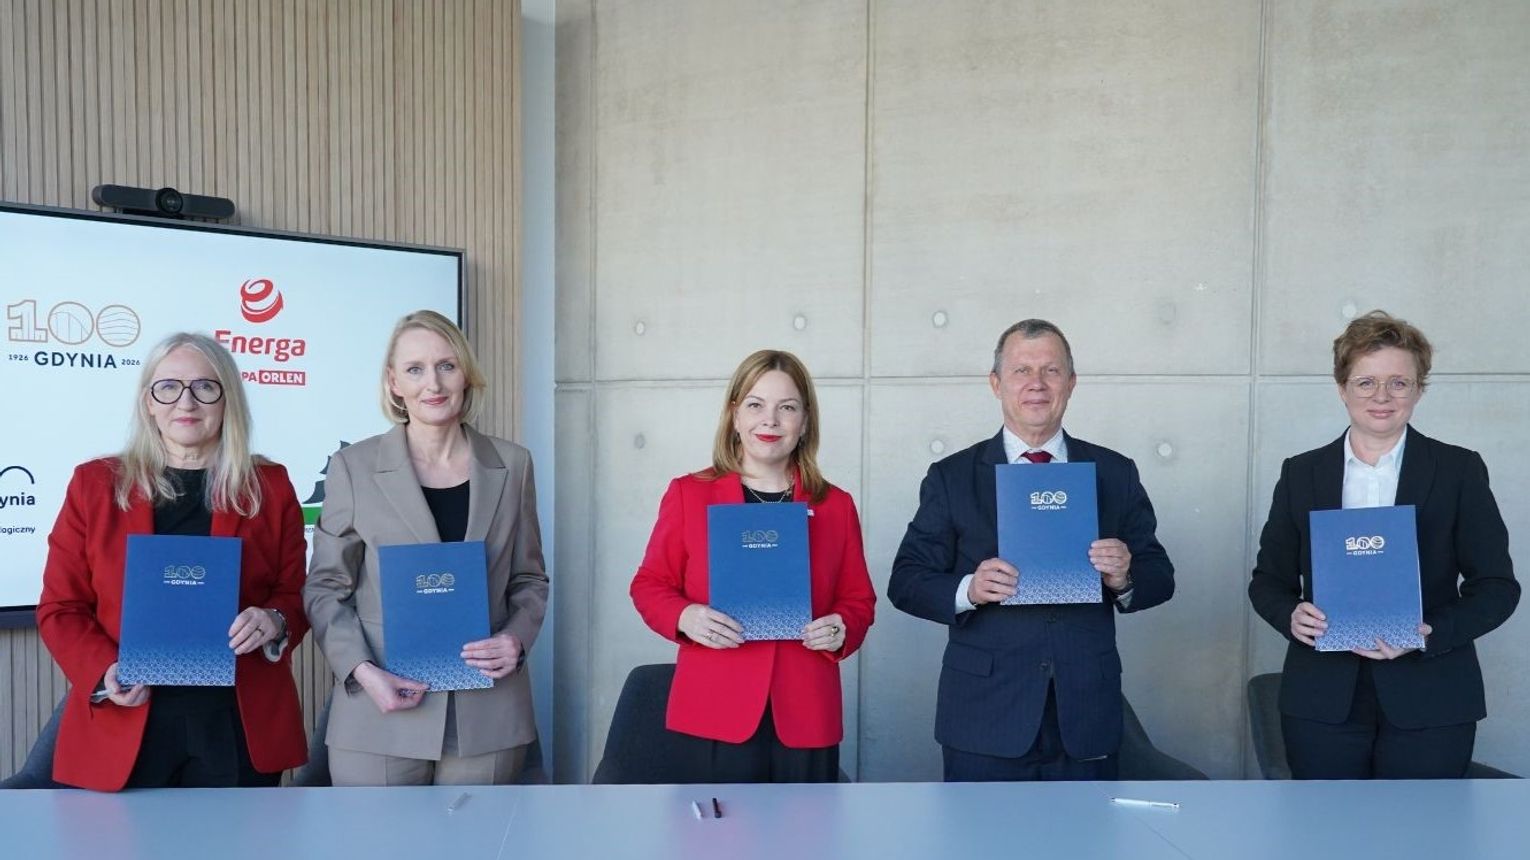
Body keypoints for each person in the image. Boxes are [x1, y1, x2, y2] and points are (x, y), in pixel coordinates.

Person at [888, 319, 1174, 782]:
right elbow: (906, 581)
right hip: (984, 714)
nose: (1036, 383)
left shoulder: (1114, 471)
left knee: (1084, 830)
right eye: (1021, 370)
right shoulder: (952, 476)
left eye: (1051, 370)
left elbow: (1160, 575)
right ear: (996, 383)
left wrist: (1125, 577)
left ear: (1071, 383)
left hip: (1086, 712)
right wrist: (969, 590)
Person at [1248, 310, 1519, 779]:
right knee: (1326, 824)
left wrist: (1429, 632)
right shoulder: (1302, 473)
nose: (1382, 396)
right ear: (1342, 388)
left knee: (1421, 825)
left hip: (1431, 697)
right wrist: (1290, 615)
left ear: (1419, 390)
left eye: (1399, 383)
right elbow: (1268, 582)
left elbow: (1497, 587)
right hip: (1323, 701)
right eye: (1366, 382)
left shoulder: (1458, 470)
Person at [37, 332, 308, 791]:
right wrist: (105, 671)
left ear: (227, 399)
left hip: (238, 724)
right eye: (168, 387)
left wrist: (275, 620)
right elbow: (61, 608)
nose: (187, 401)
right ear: (148, 401)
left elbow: (295, 594)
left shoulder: (270, 486)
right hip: (127, 717)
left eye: (205, 386)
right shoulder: (94, 485)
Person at [304, 310, 547, 786]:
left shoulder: (514, 464)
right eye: (414, 369)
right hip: (381, 706)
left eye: (446, 366)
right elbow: (326, 589)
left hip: (487, 711)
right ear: (393, 383)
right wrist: (361, 670)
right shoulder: (353, 467)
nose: (432, 383)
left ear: (465, 375)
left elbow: (529, 578)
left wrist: (517, 639)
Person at [629, 349, 876, 782]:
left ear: (805, 421)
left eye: (788, 408)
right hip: (713, 710)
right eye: (756, 405)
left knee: (808, 827)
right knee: (717, 828)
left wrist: (842, 627)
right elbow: (649, 584)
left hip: (806, 712)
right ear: (735, 415)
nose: (771, 420)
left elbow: (858, 599)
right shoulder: (690, 494)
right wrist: (685, 616)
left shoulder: (835, 505)